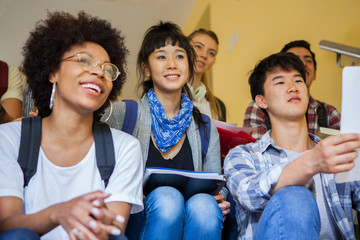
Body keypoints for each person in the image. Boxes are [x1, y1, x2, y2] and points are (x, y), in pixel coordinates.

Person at [0, 11, 143, 240]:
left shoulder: (125, 148)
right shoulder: (8, 138)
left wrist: (101, 225)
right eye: (84, 61)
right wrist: (59, 213)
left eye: (108, 69)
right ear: (52, 71)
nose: (99, 72)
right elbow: (7, 226)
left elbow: (113, 230)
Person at [102, 21, 229, 240]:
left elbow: (217, 184)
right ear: (146, 68)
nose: (172, 64)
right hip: (137, 219)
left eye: (179, 56)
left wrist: (221, 199)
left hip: (194, 219)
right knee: (168, 198)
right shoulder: (123, 113)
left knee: (206, 205)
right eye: (161, 56)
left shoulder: (206, 127)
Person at [225, 52, 360, 239]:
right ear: (261, 101)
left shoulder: (337, 154)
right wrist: (312, 162)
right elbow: (249, 195)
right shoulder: (243, 155)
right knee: (296, 197)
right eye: (280, 82)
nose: (292, 88)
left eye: (298, 81)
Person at [243, 40, 341, 139]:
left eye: (298, 80)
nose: (303, 64)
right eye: (281, 82)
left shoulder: (329, 112)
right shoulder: (244, 153)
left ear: (315, 74)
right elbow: (258, 149)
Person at [187, 29, 226, 121]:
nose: (204, 55)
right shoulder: (168, 94)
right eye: (198, 47)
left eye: (211, 53)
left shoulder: (218, 106)